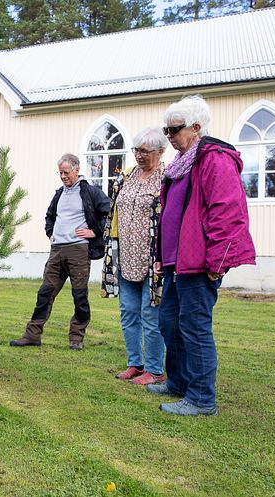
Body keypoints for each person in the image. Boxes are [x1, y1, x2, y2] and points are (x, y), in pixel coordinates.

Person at [149, 95, 256, 416]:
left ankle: (201, 398)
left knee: (194, 327)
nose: (168, 136)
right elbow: (170, 212)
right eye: (165, 130)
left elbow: (228, 213)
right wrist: (160, 254)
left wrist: (218, 262)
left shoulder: (214, 158)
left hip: (200, 263)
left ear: (196, 128)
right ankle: (179, 382)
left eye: (174, 130)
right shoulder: (183, 162)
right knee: (169, 323)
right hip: (175, 262)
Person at [10, 153, 110, 350]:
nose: (63, 176)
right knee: (45, 293)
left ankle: (76, 338)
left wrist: (95, 231)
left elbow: (108, 212)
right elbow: (49, 216)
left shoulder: (90, 192)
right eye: (60, 173)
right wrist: (51, 234)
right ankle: (32, 335)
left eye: (66, 172)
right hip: (57, 251)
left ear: (77, 169)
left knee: (79, 295)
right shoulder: (59, 194)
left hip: (78, 251)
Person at [102, 127, 168, 385]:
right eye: (136, 150)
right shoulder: (128, 176)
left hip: (153, 259)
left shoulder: (167, 178)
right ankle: (135, 364)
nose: (139, 156)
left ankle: (155, 370)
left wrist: (164, 254)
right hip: (125, 255)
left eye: (145, 151)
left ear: (160, 152)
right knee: (128, 312)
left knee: (150, 315)